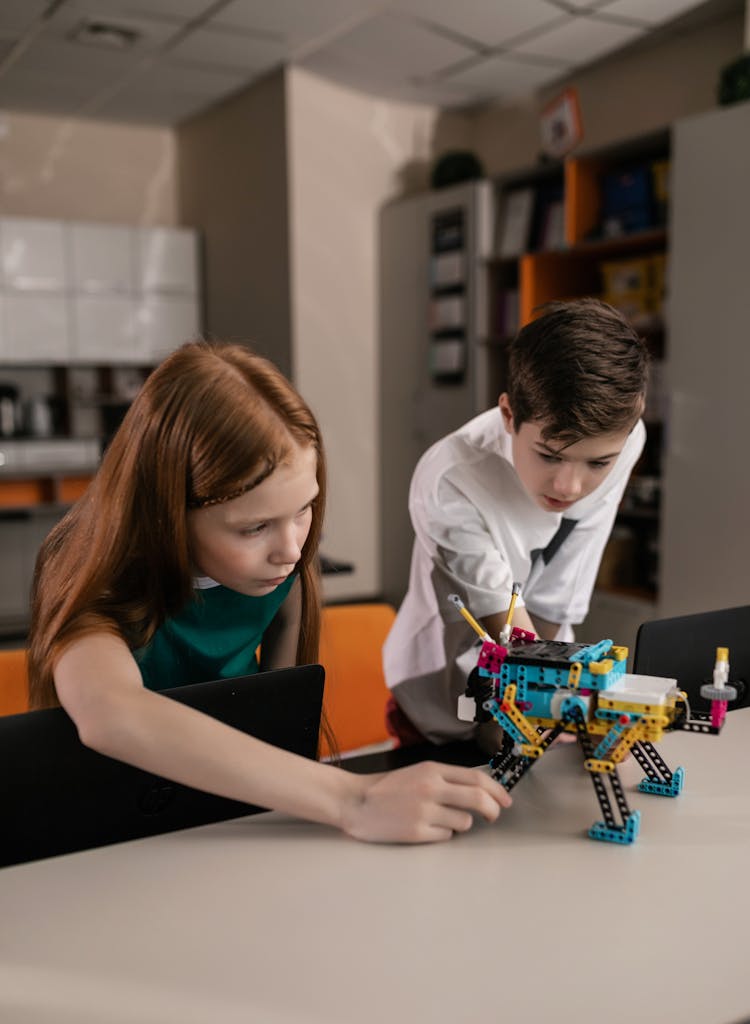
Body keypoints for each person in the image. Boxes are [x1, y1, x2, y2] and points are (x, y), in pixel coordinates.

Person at [28, 341, 510, 844]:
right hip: (110, 826)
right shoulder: (91, 574)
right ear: (167, 511)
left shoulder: (283, 569)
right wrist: (354, 799)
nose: (291, 549)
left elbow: (279, 720)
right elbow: (110, 714)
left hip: (232, 819)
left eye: (304, 509)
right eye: (254, 527)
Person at [383, 298, 649, 748]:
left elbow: (561, 590)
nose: (570, 486)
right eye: (549, 455)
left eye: (598, 463)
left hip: (540, 684)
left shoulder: (625, 441)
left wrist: (557, 703)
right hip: (440, 701)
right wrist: (558, 703)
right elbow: (511, 634)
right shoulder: (450, 481)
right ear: (509, 415)